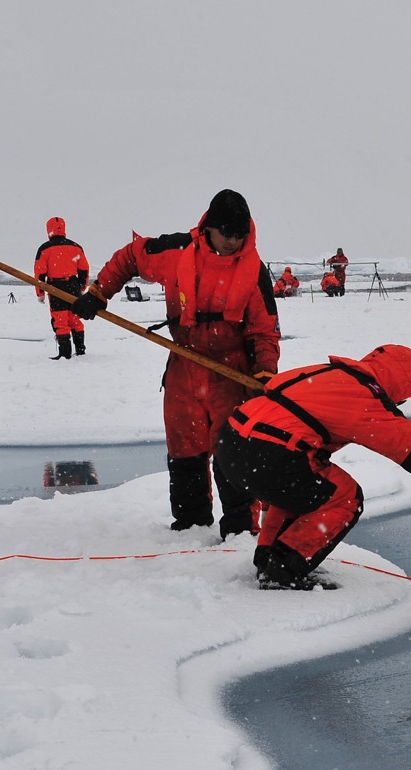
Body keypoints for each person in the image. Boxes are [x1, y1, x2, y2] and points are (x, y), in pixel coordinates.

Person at [214, 344, 411, 590]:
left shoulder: (325, 372)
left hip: (231, 446)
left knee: (306, 488)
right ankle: (284, 570)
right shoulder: (364, 398)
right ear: (399, 383)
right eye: (404, 396)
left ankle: (268, 561)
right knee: (343, 497)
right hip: (271, 454)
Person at [71, 189, 280, 538]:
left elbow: (265, 331)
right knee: (185, 453)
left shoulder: (254, 271)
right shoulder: (177, 252)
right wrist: (99, 292)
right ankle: (190, 530)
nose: (232, 241)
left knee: (233, 455)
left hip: (232, 374)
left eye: (238, 235)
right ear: (209, 227)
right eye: (226, 233)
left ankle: (240, 535)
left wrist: (264, 371)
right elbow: (131, 257)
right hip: (184, 367)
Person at [34, 216, 90, 359]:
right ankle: (80, 350)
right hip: (73, 286)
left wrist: (40, 292)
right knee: (75, 319)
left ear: (49, 229)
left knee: (60, 320)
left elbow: (40, 272)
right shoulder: (76, 247)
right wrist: (82, 286)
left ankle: (65, 354)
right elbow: (84, 269)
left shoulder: (45, 249)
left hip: (56, 287)